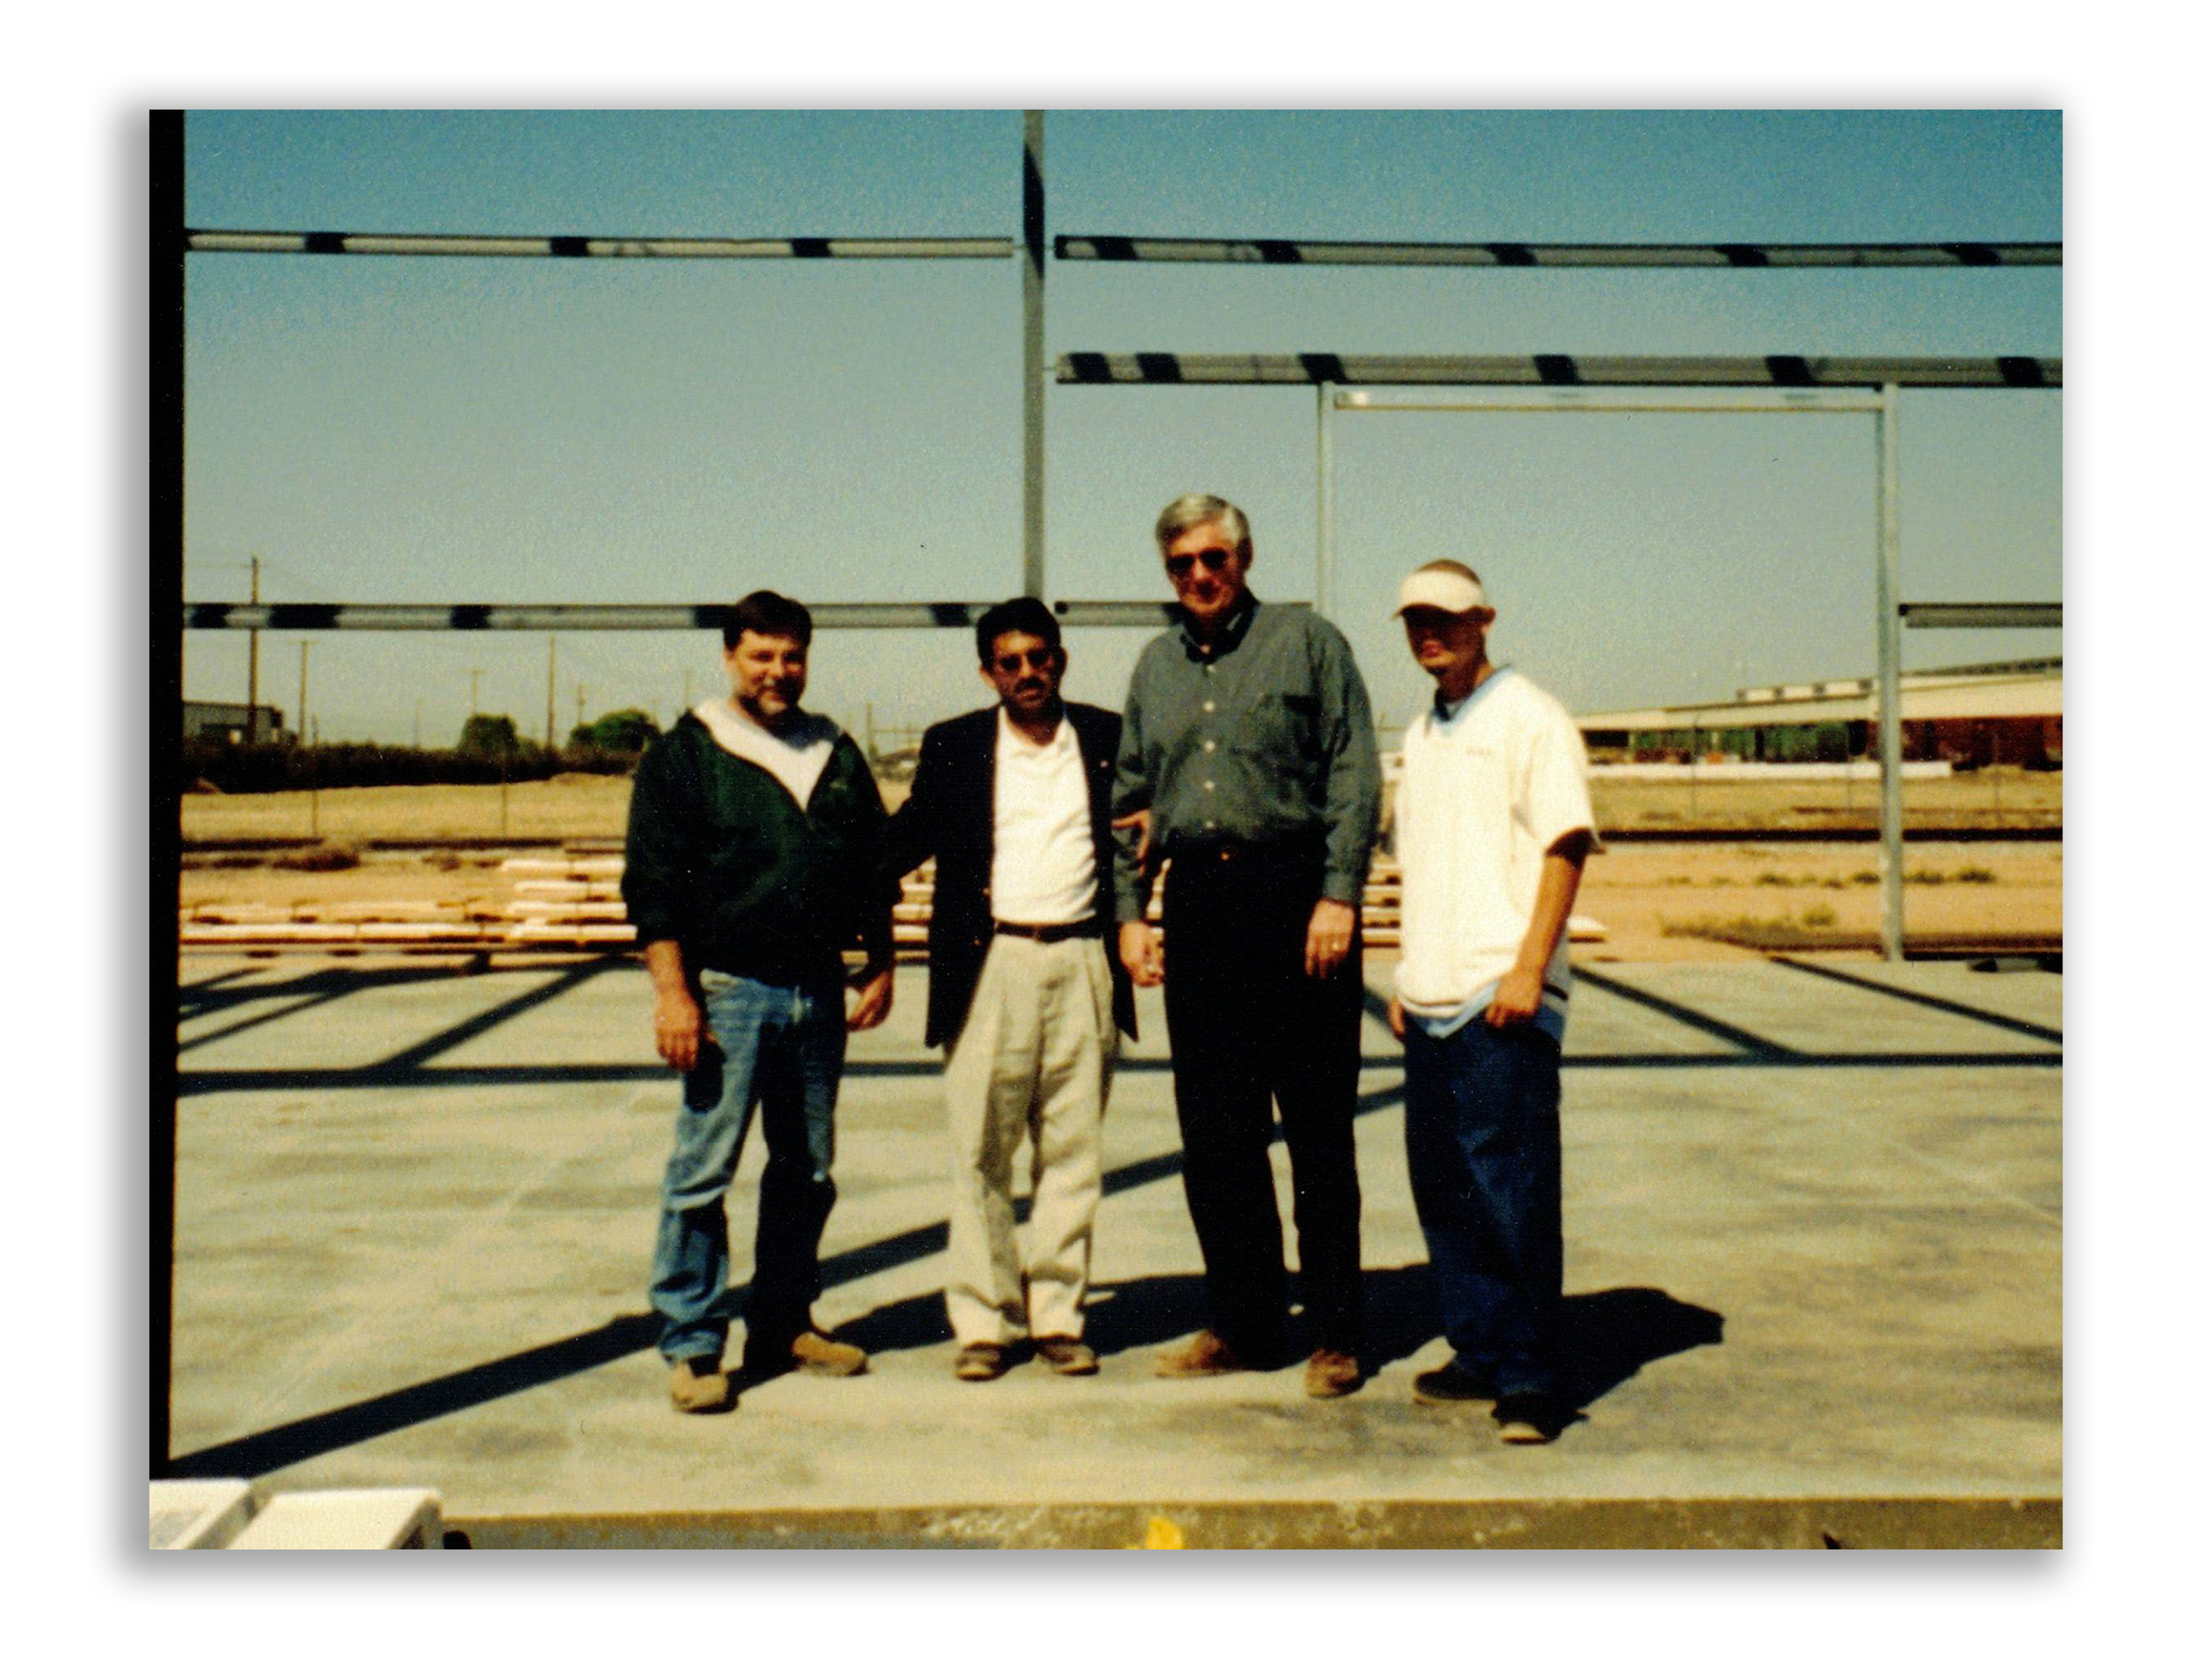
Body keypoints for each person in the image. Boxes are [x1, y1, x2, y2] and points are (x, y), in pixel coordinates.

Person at [1113, 493, 1381, 1399]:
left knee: (1315, 1128)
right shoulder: (1153, 668)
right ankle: (1244, 1321)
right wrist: (1129, 911)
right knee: (1217, 1136)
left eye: (1212, 560)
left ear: (1245, 556)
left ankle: (1337, 1332)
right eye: (1180, 564)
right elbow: (1129, 800)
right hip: (1200, 907)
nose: (1198, 576)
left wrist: (1337, 893)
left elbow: (1352, 772)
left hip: (1295, 899)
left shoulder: (1310, 644)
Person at [622, 589, 895, 1413]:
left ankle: (784, 1318)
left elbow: (869, 865)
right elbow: (655, 886)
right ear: (730, 657)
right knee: (704, 1171)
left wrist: (879, 960)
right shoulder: (688, 753)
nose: (779, 671)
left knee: (806, 1169)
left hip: (817, 989)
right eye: (761, 656)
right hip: (729, 993)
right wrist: (674, 994)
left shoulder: (833, 750)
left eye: (792, 656)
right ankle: (694, 1343)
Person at [884, 597, 1136, 1381]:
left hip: (1083, 960)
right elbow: (902, 839)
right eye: (1010, 661)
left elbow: (1146, 830)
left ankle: (1059, 1316)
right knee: (981, 1154)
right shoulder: (956, 745)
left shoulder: (1106, 738)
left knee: (1072, 1154)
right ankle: (987, 1321)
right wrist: (828, 903)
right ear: (988, 670)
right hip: (989, 965)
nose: (1028, 672)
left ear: (1061, 657)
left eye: (1041, 656)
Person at [1386, 559, 1598, 1445]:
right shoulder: (1422, 733)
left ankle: (1532, 1378)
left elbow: (1564, 844)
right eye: (1413, 620)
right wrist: (1404, 975)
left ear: (1486, 618)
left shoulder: (1529, 717)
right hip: (1430, 998)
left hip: (1496, 999)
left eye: (1446, 616)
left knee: (1508, 1186)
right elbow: (1423, 866)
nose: (1428, 632)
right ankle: (1478, 1348)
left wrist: (1526, 969)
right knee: (1444, 1188)